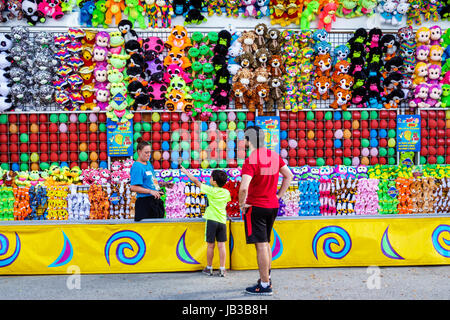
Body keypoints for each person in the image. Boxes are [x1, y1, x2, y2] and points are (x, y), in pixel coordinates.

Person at [239, 126, 293, 296]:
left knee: (261, 245)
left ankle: (264, 285)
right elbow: (289, 175)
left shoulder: (251, 160)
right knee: (266, 243)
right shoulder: (274, 156)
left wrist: (242, 203)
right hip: (272, 206)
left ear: (248, 141)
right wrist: (278, 195)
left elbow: (243, 187)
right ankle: (266, 278)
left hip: (257, 206)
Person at [181, 165, 231, 277]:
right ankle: (222, 269)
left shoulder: (210, 190)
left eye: (211, 177)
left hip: (212, 220)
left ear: (214, 181)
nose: (209, 179)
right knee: (222, 246)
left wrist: (186, 172)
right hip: (222, 221)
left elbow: (195, 181)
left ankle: (209, 268)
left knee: (211, 246)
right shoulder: (226, 193)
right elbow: (226, 203)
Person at [130, 138, 169, 221]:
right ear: (139, 152)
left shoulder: (148, 164)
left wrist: (159, 187)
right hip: (144, 203)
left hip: (154, 202)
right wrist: (150, 191)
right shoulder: (137, 167)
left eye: (150, 152)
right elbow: (133, 187)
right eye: (146, 152)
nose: (149, 155)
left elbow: (152, 179)